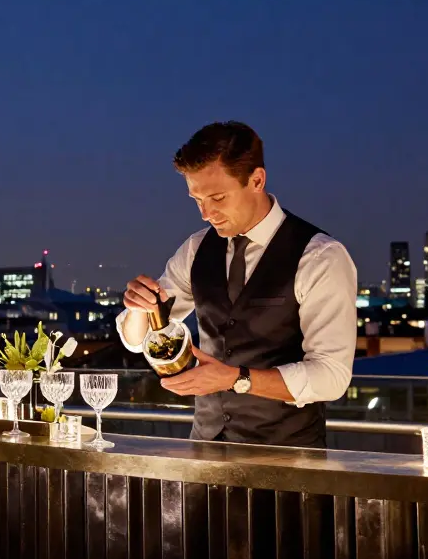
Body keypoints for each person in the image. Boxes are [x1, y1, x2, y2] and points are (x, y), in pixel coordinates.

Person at [118, 121, 357, 447]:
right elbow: (138, 341)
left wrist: (237, 379)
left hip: (288, 462)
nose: (206, 213)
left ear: (257, 180)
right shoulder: (195, 249)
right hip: (205, 451)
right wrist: (137, 310)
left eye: (217, 197)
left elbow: (331, 377)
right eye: (197, 199)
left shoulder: (320, 257)